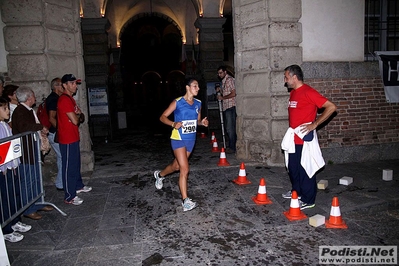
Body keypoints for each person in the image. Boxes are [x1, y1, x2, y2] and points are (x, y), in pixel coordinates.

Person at [281, 64, 337, 210]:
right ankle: (297, 192)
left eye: (286, 77)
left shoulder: (308, 92)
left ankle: (308, 199)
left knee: (305, 168)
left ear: (294, 77)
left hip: (304, 139)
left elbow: (331, 107)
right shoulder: (293, 92)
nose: (285, 80)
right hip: (293, 138)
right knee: (292, 167)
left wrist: (315, 124)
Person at [153, 78, 208, 212]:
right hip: (178, 138)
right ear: (188, 87)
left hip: (191, 140)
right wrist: (173, 124)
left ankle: (159, 175)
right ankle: (185, 201)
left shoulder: (198, 103)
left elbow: (197, 120)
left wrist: (202, 123)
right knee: (185, 169)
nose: (198, 88)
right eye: (195, 86)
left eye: (198, 86)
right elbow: (162, 117)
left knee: (176, 166)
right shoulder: (177, 102)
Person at [11, 87, 54, 220]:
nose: (35, 98)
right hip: (26, 152)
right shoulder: (20, 111)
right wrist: (40, 127)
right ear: (29, 97)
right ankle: (28, 208)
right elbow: (24, 127)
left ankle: (37, 203)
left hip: (32, 150)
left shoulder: (27, 110)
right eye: (34, 95)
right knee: (28, 181)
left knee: (35, 179)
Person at [0, 98, 32, 242]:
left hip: (12, 167)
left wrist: (15, 163)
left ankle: (15, 220)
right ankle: (7, 228)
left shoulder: (5, 125)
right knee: (6, 198)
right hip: (4, 170)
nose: (8, 111)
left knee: (15, 194)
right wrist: (5, 166)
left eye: (7, 108)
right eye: (5, 108)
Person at [58, 74, 91, 206]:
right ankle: (69, 195)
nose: (74, 86)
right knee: (68, 167)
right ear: (64, 85)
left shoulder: (71, 99)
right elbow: (76, 119)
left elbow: (80, 116)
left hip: (73, 136)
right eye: (71, 83)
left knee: (75, 163)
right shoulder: (64, 100)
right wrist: (77, 116)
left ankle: (78, 186)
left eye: (75, 83)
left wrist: (77, 116)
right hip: (66, 139)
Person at [46, 78, 63, 190]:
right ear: (56, 86)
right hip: (55, 133)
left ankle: (61, 183)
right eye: (62, 85)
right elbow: (51, 118)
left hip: (54, 132)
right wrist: (61, 130)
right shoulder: (53, 99)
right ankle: (60, 183)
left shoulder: (56, 98)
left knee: (61, 157)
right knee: (63, 157)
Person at [216, 66, 237, 153]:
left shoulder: (229, 80)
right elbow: (227, 92)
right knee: (229, 127)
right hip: (226, 107)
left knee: (230, 128)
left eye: (221, 73)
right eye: (218, 73)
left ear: (225, 72)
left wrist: (223, 97)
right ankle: (231, 145)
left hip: (230, 106)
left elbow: (233, 93)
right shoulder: (224, 81)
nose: (219, 75)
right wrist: (221, 90)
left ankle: (232, 147)